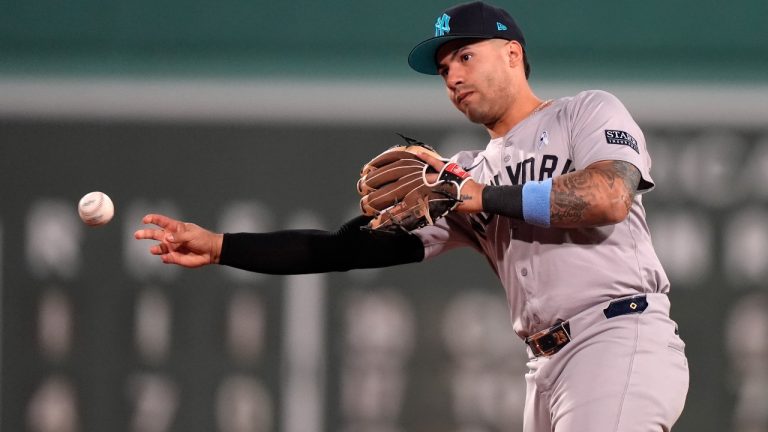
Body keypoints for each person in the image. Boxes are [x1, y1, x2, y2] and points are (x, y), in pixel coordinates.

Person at [135, 1, 689, 431]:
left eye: (465, 56)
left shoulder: (584, 113)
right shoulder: (462, 176)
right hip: (545, 368)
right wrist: (222, 246)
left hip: (618, 335)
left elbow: (609, 196)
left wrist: (481, 197)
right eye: (444, 68)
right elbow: (342, 247)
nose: (451, 76)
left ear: (513, 55)